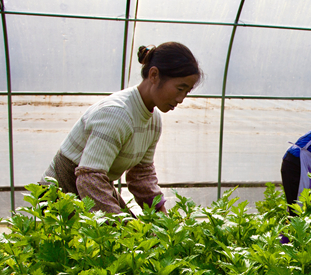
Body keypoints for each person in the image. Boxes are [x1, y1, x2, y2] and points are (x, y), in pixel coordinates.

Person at [42, 42, 202, 214]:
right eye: (180, 88)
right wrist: (120, 226)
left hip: (95, 187)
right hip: (61, 192)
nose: (181, 99)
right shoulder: (116, 114)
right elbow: (89, 179)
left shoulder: (153, 121)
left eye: (187, 92)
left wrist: (164, 221)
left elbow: (141, 176)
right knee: (129, 237)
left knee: (141, 236)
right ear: (154, 75)